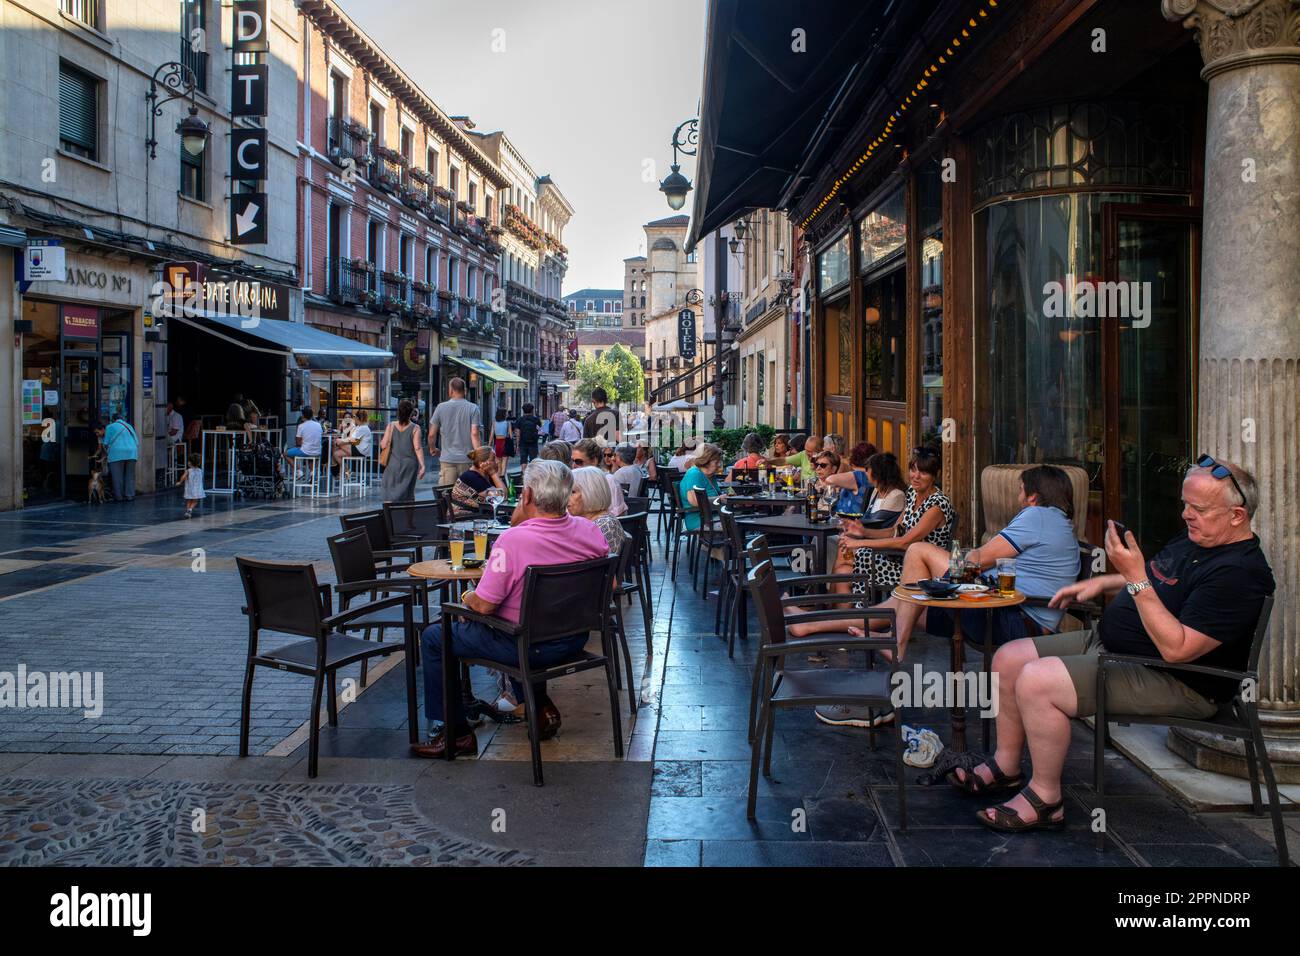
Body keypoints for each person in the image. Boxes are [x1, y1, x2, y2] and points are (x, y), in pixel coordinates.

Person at [957, 458, 1273, 833]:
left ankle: (1046, 799)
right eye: (1185, 504)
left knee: (1036, 681)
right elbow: (1160, 581)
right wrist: (1104, 584)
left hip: (1177, 679)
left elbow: (1178, 649)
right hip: (1113, 646)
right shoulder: (1199, 537)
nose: (1187, 514)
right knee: (1008, 658)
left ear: (1237, 515)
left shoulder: (1239, 573)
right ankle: (1006, 766)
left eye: (1199, 508)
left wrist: (1134, 577)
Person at [803, 467, 1083, 734]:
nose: (1018, 496)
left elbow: (979, 559)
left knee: (918, 553)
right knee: (908, 608)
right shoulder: (1057, 522)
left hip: (1014, 621)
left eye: (1020, 490)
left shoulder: (1038, 517)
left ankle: (895, 644)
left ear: (1033, 495)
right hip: (1010, 611)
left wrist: (946, 572)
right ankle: (863, 666)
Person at [412, 460, 611, 758]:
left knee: (435, 636)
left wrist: (467, 597)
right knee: (522, 622)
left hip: (526, 646)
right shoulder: (589, 531)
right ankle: (540, 707)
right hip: (573, 639)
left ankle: (455, 733)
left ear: (527, 495)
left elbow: (485, 604)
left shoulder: (512, 540)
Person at [428, 377, 482, 487]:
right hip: (467, 460)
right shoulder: (473, 408)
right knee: (466, 494)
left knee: (447, 494)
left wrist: (433, 448)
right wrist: (478, 457)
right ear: (465, 391)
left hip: (447, 459)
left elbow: (431, 434)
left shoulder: (440, 407)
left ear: (451, 390)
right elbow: (475, 433)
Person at [570, 466, 629, 554]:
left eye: (572, 492)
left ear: (590, 492)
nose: (566, 497)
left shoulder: (606, 524)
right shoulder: (586, 521)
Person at [379, 400, 425, 502]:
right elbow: (417, 448)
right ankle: (408, 518)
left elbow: (383, 445)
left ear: (398, 412)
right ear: (411, 413)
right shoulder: (415, 428)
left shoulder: (391, 426)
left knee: (389, 492)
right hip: (409, 465)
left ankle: (389, 516)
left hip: (392, 464)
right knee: (408, 495)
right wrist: (422, 465)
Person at [572, 438, 626, 516]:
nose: (574, 466)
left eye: (579, 462)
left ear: (594, 461)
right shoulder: (573, 481)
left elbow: (618, 514)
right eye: (572, 461)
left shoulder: (608, 480)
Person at [820, 442, 877, 515]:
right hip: (858, 519)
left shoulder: (858, 475)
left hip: (846, 520)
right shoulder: (871, 476)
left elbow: (830, 480)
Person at [678, 442, 724, 531]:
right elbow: (695, 501)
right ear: (706, 461)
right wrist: (719, 499)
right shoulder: (694, 474)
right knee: (736, 526)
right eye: (716, 462)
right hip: (700, 521)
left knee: (743, 520)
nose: (719, 465)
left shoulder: (709, 475)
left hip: (714, 517)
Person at [450, 447, 507, 518]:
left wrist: (493, 474)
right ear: (481, 463)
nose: (497, 461)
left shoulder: (486, 474)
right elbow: (502, 496)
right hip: (465, 517)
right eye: (493, 459)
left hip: (481, 513)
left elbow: (504, 495)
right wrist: (493, 473)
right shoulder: (471, 477)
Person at [103, 412, 139, 502]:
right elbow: (137, 441)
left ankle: (119, 497)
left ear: (113, 420)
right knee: (130, 475)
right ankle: (129, 495)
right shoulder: (129, 426)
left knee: (117, 476)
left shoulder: (110, 427)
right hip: (132, 452)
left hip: (117, 453)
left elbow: (106, 443)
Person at [177, 452, 205, 518]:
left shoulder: (188, 471)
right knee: (195, 501)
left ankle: (188, 511)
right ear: (198, 463)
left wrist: (180, 482)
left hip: (190, 488)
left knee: (189, 500)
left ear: (190, 463)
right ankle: (190, 510)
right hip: (197, 489)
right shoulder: (200, 471)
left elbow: (183, 477)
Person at [492, 407, 514, 475]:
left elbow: (491, 435)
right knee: (504, 463)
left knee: (498, 463)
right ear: (503, 415)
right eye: (506, 413)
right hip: (505, 443)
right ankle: (503, 477)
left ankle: (498, 479)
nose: (507, 415)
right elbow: (511, 436)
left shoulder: (494, 423)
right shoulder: (508, 423)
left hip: (497, 443)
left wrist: (489, 445)